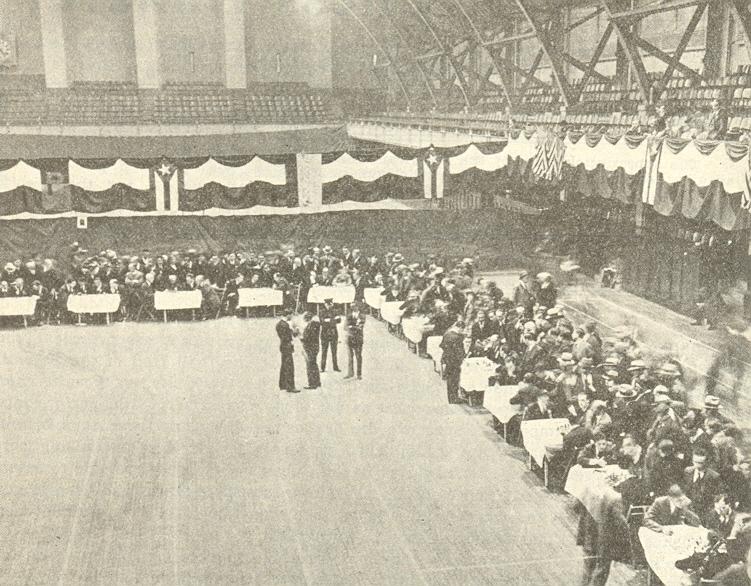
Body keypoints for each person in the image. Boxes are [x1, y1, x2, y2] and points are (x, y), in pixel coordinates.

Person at [440, 319, 465, 404]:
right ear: (460, 328)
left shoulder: (446, 334)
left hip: (448, 360)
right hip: (455, 362)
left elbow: (442, 346)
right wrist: (462, 359)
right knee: (455, 380)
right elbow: (460, 352)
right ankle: (455, 398)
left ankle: (450, 398)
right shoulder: (458, 337)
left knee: (449, 380)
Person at [276, 310, 298, 393]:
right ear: (288, 315)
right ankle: (290, 386)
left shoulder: (279, 324)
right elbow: (289, 336)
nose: (292, 316)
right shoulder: (285, 325)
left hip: (283, 346)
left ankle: (283, 384)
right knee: (289, 366)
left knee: (284, 365)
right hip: (287, 345)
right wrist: (294, 330)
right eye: (291, 315)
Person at [344, 303, 365, 380]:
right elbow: (345, 327)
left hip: (358, 338)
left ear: (358, 306)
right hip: (349, 338)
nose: (353, 307)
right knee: (350, 357)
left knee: (358, 356)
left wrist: (351, 326)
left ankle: (359, 374)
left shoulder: (362, 315)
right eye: (352, 306)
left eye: (355, 306)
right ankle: (350, 373)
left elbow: (360, 327)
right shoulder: (349, 315)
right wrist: (354, 326)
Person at [319, 297, 340, 372]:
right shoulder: (321, 312)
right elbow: (322, 322)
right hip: (325, 333)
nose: (328, 306)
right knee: (324, 351)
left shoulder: (335, 311)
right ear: (325, 304)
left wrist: (328, 320)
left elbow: (339, 320)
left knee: (334, 351)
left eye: (330, 304)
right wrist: (333, 320)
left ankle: (335, 367)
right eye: (327, 304)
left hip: (333, 333)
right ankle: (322, 367)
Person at [301, 312, 321, 390]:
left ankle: (312, 383)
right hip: (314, 347)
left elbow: (309, 338)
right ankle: (317, 382)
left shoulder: (311, 325)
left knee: (310, 365)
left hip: (310, 348)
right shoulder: (315, 324)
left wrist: (301, 338)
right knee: (314, 364)